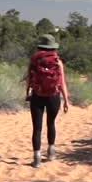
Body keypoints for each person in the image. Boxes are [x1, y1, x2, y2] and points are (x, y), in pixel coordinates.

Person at [25, 34, 69, 168]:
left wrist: (27, 93)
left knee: (37, 128)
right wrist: (66, 100)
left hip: (37, 96)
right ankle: (51, 153)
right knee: (51, 123)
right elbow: (62, 83)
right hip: (53, 96)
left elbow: (29, 78)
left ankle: (37, 158)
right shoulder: (58, 62)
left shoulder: (34, 60)